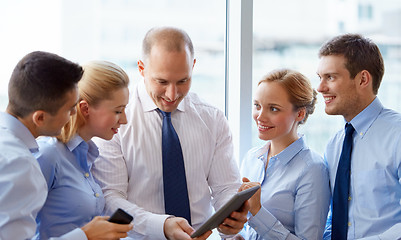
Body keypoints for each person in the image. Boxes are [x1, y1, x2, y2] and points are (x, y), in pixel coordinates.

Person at [91, 26, 249, 240]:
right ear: (141, 68)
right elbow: (110, 198)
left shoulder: (212, 119)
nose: (172, 94)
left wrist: (231, 216)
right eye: (162, 82)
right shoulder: (116, 120)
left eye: (183, 81)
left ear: (193, 66)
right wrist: (162, 226)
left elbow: (225, 188)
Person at [33, 61, 133, 239]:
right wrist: (85, 236)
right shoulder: (47, 155)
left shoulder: (87, 157)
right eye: (118, 111)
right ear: (85, 108)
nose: (124, 120)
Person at [317, 34, 401, 239]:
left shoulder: (397, 136)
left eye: (331, 77)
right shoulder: (334, 145)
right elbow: (334, 216)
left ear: (363, 79)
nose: (320, 88)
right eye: (320, 77)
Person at [234, 69, 330, 240]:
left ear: (300, 114)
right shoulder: (251, 159)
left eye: (273, 109)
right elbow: (246, 228)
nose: (260, 117)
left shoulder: (313, 169)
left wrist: (257, 212)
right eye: (257, 106)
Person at [0, 51, 82, 239]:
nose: (73, 115)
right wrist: (85, 236)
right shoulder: (19, 164)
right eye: (70, 109)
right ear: (40, 117)